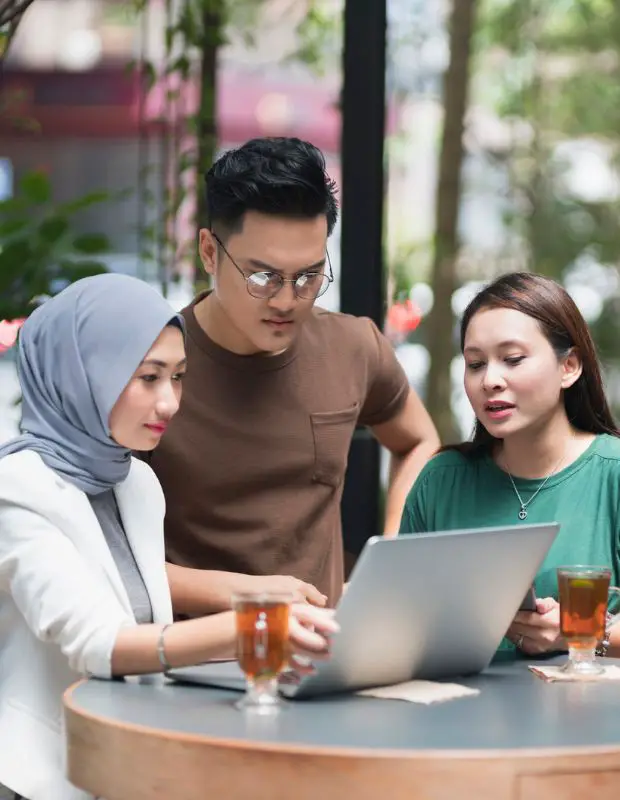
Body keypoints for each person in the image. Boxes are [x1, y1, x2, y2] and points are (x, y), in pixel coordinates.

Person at [0, 274, 338, 800]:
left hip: (125, 761)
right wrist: (259, 625)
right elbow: (98, 642)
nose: (170, 403)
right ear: (82, 374)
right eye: (148, 377)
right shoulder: (16, 488)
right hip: (40, 772)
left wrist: (255, 590)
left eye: (178, 377)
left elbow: (123, 578)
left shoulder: (133, 479)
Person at [145, 136, 440, 611]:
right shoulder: (150, 368)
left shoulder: (353, 346)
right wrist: (249, 595)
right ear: (208, 252)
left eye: (308, 276)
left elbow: (419, 442)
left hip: (322, 659)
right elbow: (104, 560)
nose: (287, 300)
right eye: (262, 277)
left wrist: (392, 560)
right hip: (190, 663)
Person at [399, 272, 620, 658]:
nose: (490, 380)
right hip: (454, 711)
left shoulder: (612, 473)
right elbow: (397, 619)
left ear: (569, 366)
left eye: (512, 359)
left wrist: (580, 634)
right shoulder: (440, 480)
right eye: (475, 364)